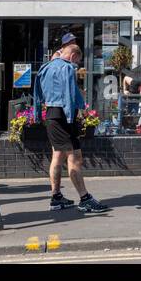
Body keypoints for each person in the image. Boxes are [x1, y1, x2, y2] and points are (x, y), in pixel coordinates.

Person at [36, 39, 108, 214]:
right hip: (63, 116)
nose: (76, 64)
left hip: (52, 115)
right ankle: (85, 199)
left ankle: (56, 197)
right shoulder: (67, 68)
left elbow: (37, 93)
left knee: (57, 156)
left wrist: (38, 113)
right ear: (74, 56)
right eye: (77, 61)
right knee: (75, 157)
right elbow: (68, 94)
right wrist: (75, 115)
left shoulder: (44, 67)